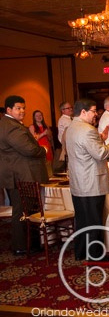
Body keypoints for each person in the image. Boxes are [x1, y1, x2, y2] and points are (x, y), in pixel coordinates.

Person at [66, 99, 109, 261]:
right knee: (94, 220)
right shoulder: (87, 129)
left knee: (83, 220)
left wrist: (101, 138)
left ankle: (81, 253)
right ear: (83, 112)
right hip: (91, 181)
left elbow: (85, 149)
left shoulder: (71, 127)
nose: (96, 114)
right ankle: (95, 255)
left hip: (78, 181)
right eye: (93, 111)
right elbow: (100, 154)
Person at [0, 95, 48, 255]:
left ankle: (29, 243)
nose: (22, 111)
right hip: (20, 175)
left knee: (26, 210)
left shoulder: (9, 123)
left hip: (20, 174)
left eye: (23, 107)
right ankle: (21, 246)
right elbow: (28, 149)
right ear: (9, 110)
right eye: (18, 108)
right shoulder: (11, 126)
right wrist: (44, 150)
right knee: (22, 212)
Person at [29, 110, 54, 177]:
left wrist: (49, 135)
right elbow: (34, 139)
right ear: (34, 117)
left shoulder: (46, 126)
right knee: (41, 169)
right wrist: (43, 134)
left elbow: (50, 139)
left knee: (49, 168)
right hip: (39, 149)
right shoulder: (32, 127)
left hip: (48, 148)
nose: (39, 117)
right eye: (37, 116)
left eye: (40, 115)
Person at [56, 102, 73, 171]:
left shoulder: (70, 118)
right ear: (63, 110)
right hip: (67, 146)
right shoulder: (64, 119)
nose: (71, 109)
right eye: (68, 108)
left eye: (71, 107)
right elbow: (68, 132)